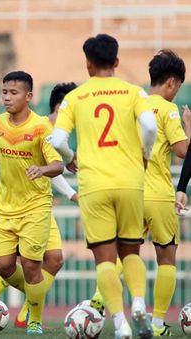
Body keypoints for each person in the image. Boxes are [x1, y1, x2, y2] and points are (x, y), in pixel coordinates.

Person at [51, 33, 157, 339]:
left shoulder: (76, 97)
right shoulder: (134, 92)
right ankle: (139, 303)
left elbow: (57, 140)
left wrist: (71, 157)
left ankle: (121, 324)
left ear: (87, 64)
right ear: (117, 62)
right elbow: (149, 126)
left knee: (104, 257)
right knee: (131, 252)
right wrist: (145, 155)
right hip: (130, 181)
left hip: (94, 184)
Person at [0, 71, 64, 335]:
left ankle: (34, 320)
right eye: (4, 92)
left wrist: (42, 170)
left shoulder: (41, 127)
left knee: (31, 266)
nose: (7, 97)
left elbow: (58, 164)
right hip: (5, 207)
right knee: (3, 266)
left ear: (28, 96)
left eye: (13, 92)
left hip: (36, 206)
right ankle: (34, 296)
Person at [0, 82, 78, 329]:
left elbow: (54, 168)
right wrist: (72, 193)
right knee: (19, 261)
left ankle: (28, 310)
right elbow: (54, 171)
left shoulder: (63, 129)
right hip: (24, 203)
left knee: (53, 260)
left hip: (39, 204)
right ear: (62, 106)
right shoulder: (47, 128)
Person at [142, 49, 190, 336]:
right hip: (158, 193)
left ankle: (99, 303)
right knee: (166, 257)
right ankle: (157, 323)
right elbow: (183, 151)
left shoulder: (135, 104)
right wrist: (188, 127)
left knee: (126, 254)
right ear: (172, 82)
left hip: (132, 191)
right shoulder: (167, 108)